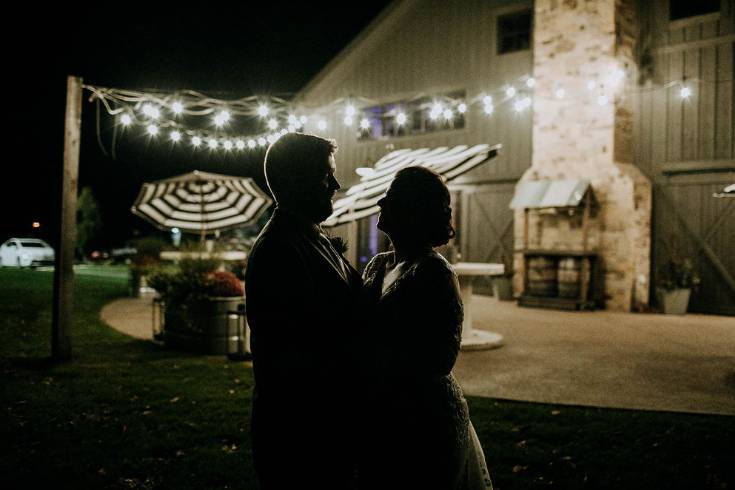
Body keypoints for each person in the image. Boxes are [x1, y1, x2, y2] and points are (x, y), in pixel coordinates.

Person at [359, 166, 493, 489]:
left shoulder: (435, 273)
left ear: (411, 209)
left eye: (390, 198)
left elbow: (442, 357)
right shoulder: (378, 266)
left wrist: (381, 360)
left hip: (424, 417)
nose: (380, 203)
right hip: (381, 413)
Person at [245, 133, 363, 489]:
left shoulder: (309, 235)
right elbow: (298, 354)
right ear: (297, 180)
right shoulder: (278, 250)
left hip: (328, 427)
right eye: (326, 175)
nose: (337, 185)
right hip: (301, 435)